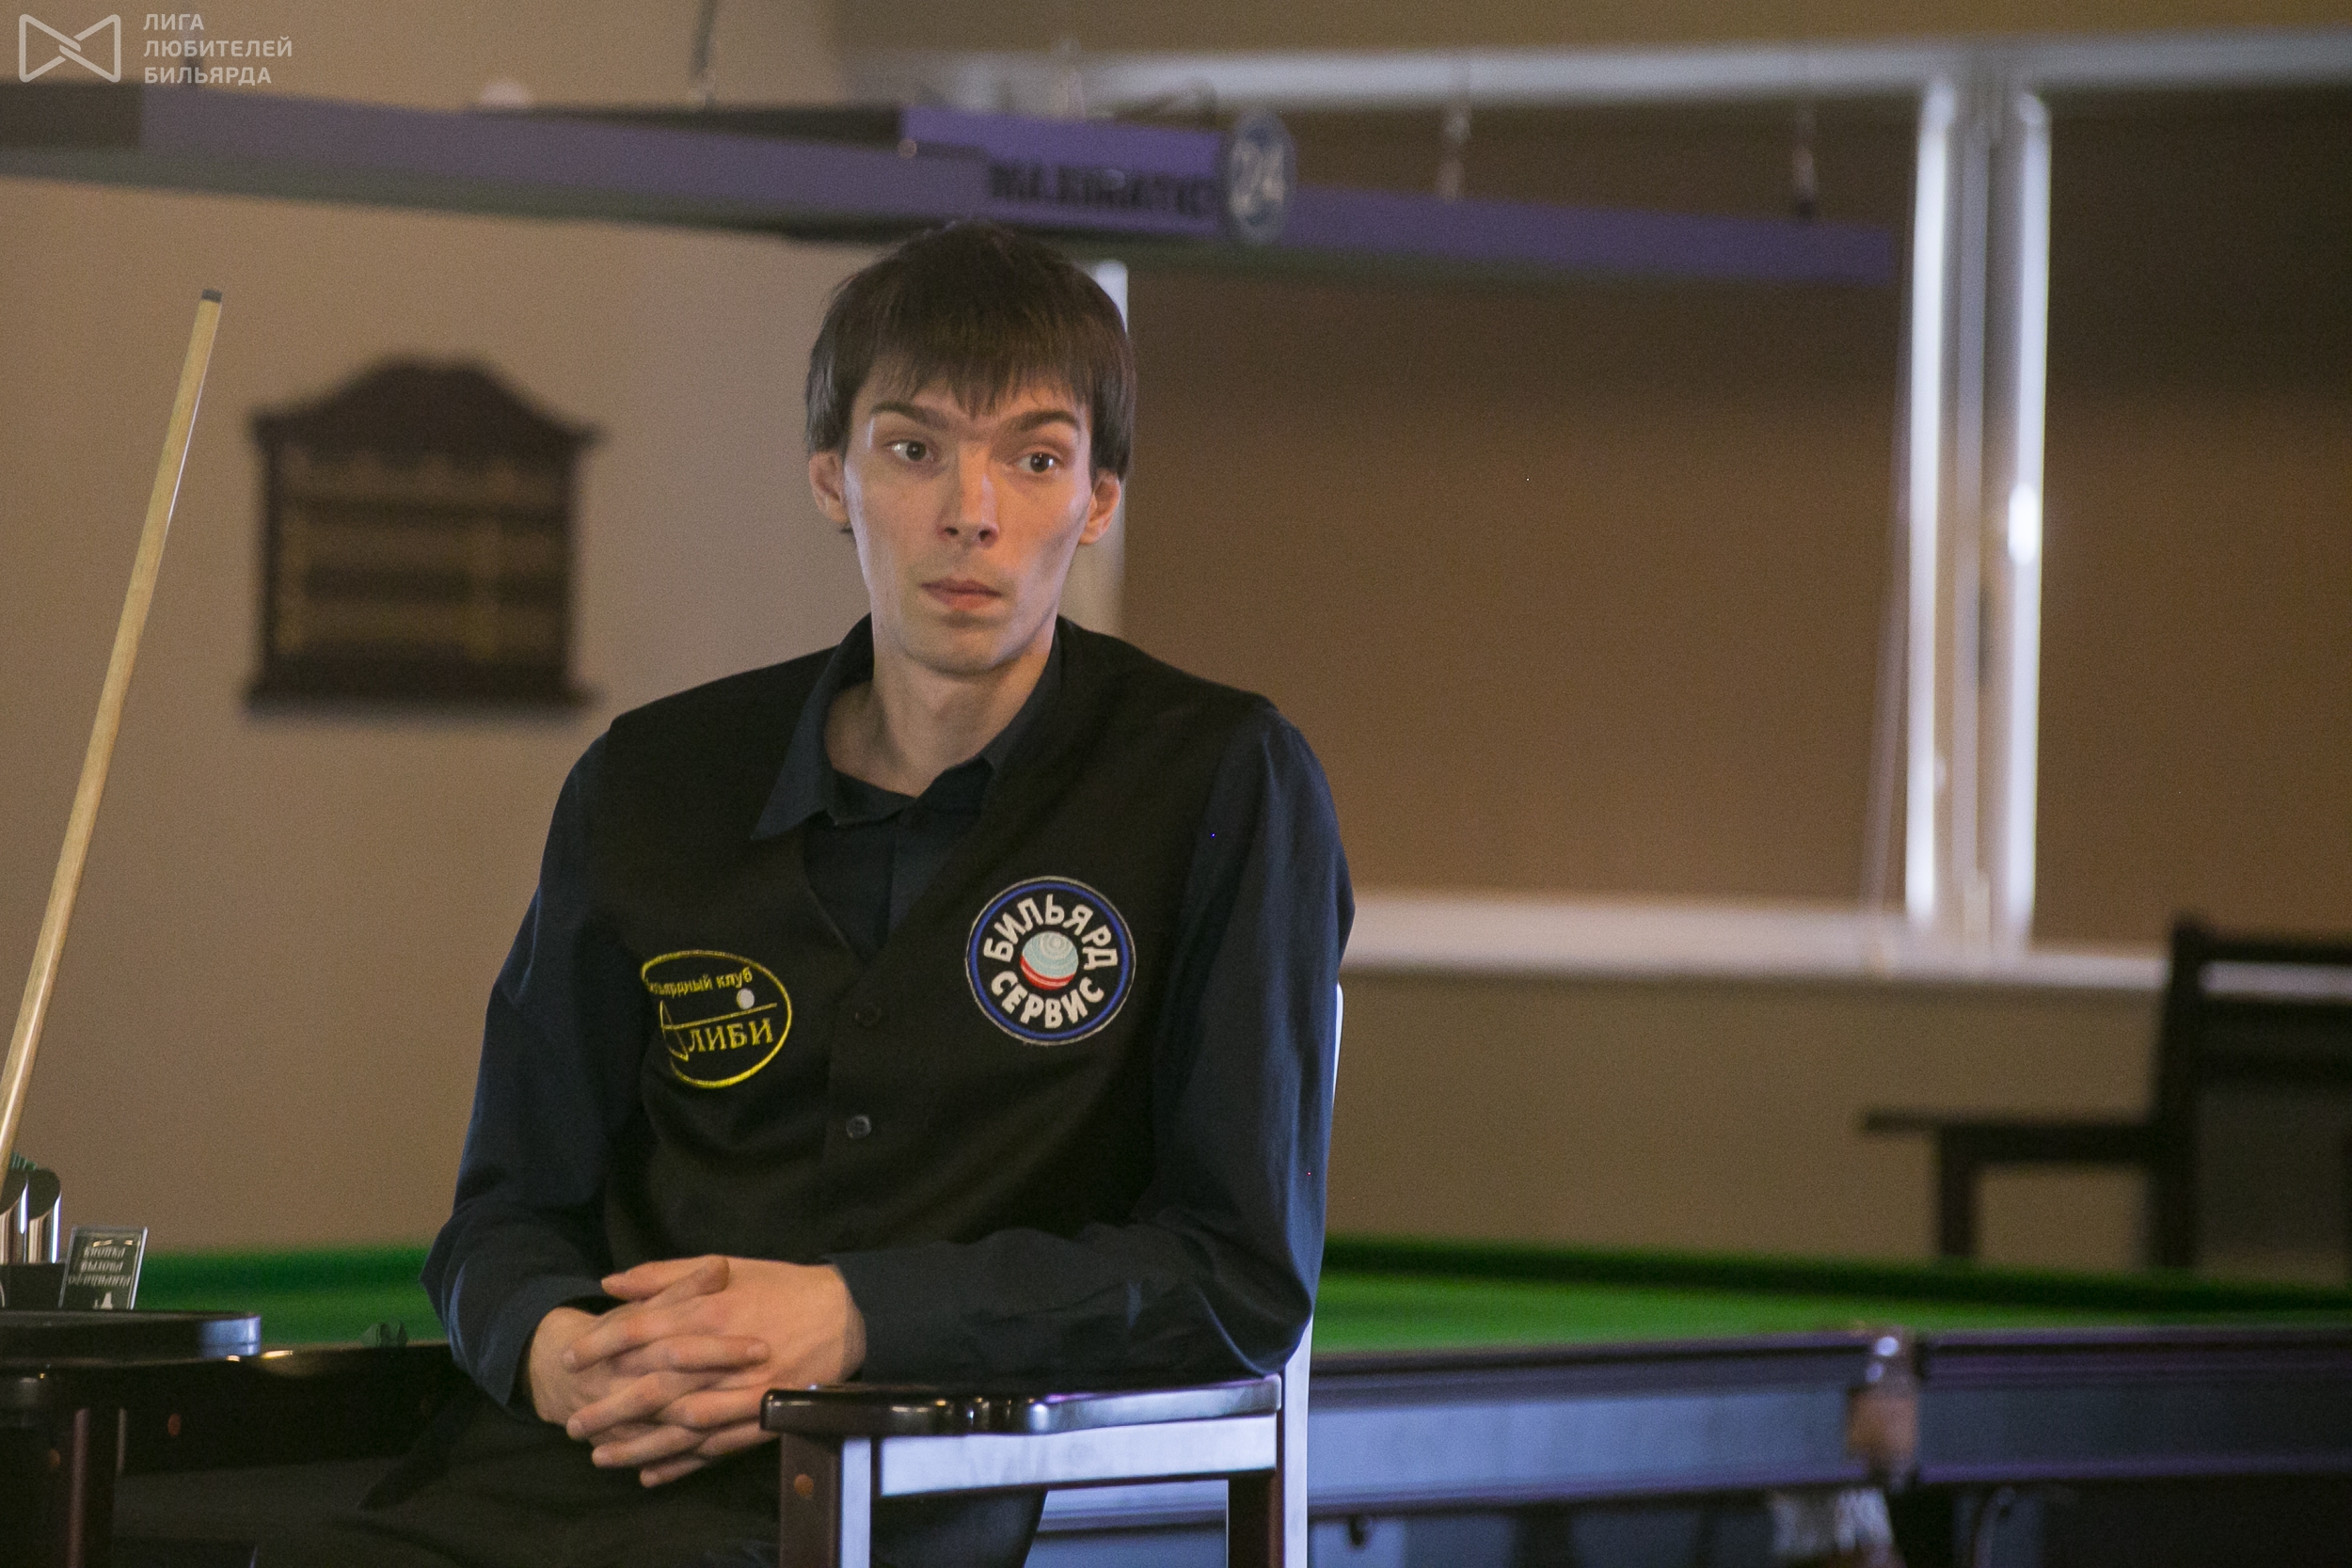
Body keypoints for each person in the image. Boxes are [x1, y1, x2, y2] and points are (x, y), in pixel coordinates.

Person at [285, 220, 1350, 1568]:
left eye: (1034, 458)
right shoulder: (653, 778)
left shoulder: (1221, 779)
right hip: (562, 1466)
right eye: (914, 450)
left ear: (1099, 499)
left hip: (884, 1487)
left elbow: (1235, 1274)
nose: (971, 510)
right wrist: (551, 1346)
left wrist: (854, 1316)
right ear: (832, 479)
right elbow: (504, 1212)